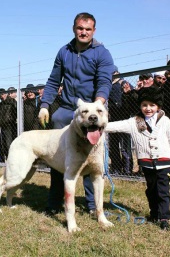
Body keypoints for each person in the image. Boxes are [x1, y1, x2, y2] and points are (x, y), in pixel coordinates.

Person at [38, 12, 116, 215]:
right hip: (66, 109)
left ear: (94, 31)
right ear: (74, 28)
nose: (83, 32)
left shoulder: (102, 53)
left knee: (92, 158)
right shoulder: (64, 52)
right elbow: (54, 80)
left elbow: (105, 81)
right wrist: (45, 104)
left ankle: (92, 205)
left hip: (91, 108)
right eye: (80, 28)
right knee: (57, 155)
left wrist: (98, 105)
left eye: (88, 29)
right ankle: (54, 202)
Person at [106, 87, 170, 230]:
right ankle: (154, 213)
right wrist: (97, 124)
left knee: (163, 191)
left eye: (152, 105)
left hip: (164, 163)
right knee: (151, 189)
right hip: (147, 164)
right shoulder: (134, 122)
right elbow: (116, 126)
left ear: (158, 106)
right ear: (140, 106)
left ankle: (164, 217)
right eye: (144, 105)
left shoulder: (165, 121)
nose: (148, 108)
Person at [0, 88, 17, 161]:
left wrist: (11, 121)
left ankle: (12, 160)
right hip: (3, 126)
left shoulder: (12, 101)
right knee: (4, 145)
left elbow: (15, 112)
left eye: (2, 94)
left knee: (9, 144)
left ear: (6, 93)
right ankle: (8, 159)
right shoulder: (2, 103)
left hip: (10, 126)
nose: (1, 96)